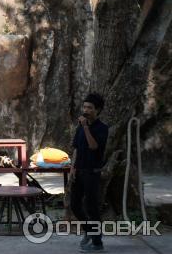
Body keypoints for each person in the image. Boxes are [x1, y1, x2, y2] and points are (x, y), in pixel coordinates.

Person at [70, 93, 109, 252]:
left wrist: (86, 127)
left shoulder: (102, 128)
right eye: (84, 107)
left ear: (97, 110)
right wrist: (73, 168)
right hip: (79, 171)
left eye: (90, 108)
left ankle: (97, 244)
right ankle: (89, 230)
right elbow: (77, 149)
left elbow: (93, 146)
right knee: (74, 205)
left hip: (92, 173)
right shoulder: (80, 127)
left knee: (91, 207)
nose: (86, 110)